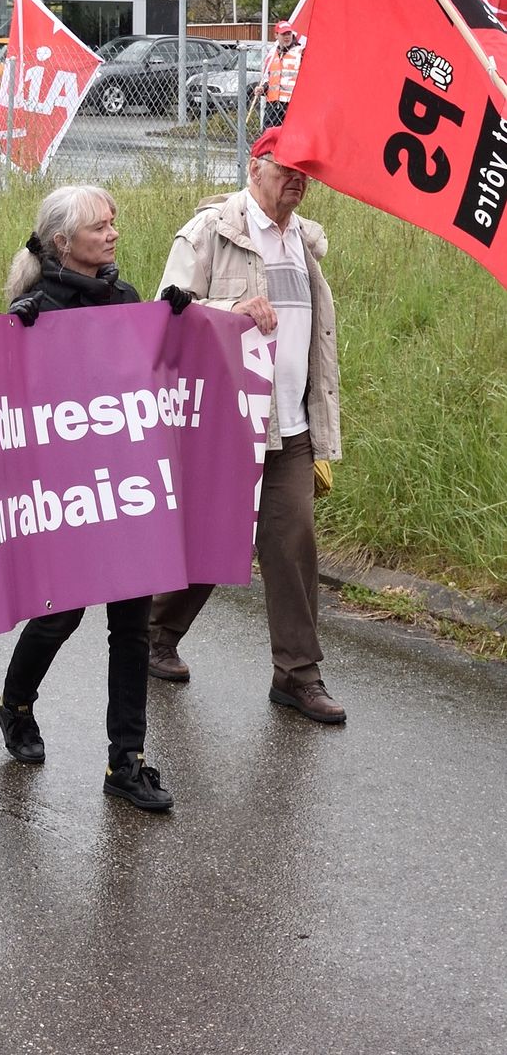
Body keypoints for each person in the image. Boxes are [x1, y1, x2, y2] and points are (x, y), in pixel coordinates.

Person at [148, 128, 345, 725]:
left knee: (292, 546)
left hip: (290, 426)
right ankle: (155, 635)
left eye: (305, 170)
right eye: (286, 166)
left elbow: (314, 341)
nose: (297, 178)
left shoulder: (303, 244)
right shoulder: (211, 231)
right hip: (227, 424)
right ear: (256, 166)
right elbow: (165, 316)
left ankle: (296, 674)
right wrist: (227, 313)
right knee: (218, 539)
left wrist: (317, 418)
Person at [0, 185, 179, 812]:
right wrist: (13, 339)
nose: (113, 233)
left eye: (113, 223)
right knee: (60, 615)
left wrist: (175, 322)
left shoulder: (125, 297)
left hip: (123, 486)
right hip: (68, 492)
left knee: (130, 624)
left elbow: (146, 377)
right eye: (100, 226)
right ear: (63, 242)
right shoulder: (35, 309)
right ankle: (15, 703)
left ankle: (125, 760)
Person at [251, 21, 303, 130]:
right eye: (283, 34)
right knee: (267, 137)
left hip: (292, 104)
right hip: (273, 104)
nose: (287, 37)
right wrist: (263, 88)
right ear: (276, 35)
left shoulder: (300, 52)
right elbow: (270, 79)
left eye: (289, 34)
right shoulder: (272, 54)